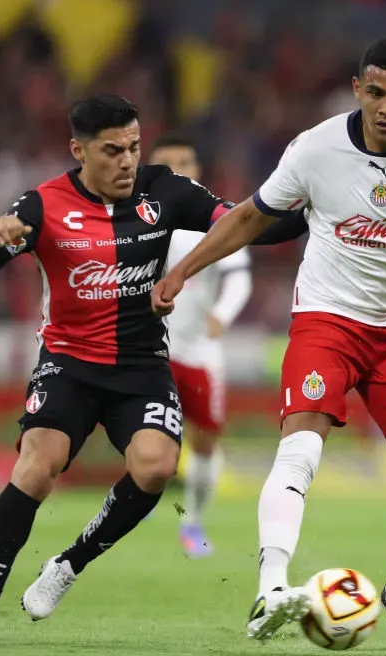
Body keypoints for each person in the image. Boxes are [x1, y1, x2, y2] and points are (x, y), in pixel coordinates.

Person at [153, 38, 386, 654]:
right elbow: (248, 217)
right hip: (325, 321)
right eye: (375, 92)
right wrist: (184, 271)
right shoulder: (316, 148)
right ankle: (270, 589)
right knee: (299, 454)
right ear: (358, 90)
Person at [0, 94, 307, 648]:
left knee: (155, 467)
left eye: (134, 148)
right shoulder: (43, 206)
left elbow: (247, 225)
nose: (127, 161)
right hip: (68, 364)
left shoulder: (165, 190)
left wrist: (312, 208)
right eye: (112, 150)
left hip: (141, 366)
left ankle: (69, 565)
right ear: (79, 151)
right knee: (37, 468)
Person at [150, 133, 253, 557]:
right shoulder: (133, 221)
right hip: (149, 350)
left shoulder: (214, 221)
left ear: (198, 171)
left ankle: (191, 522)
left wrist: (221, 316)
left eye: (185, 161)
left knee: (206, 439)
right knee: (144, 437)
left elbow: (239, 276)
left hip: (198, 352)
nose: (177, 169)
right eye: (166, 163)